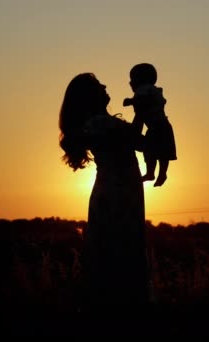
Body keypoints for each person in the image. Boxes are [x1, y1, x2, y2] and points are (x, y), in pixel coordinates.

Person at [59, 73, 149, 314]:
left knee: (113, 254)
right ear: (90, 96)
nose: (106, 86)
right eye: (99, 85)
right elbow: (137, 141)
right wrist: (143, 113)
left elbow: (133, 140)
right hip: (117, 195)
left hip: (116, 191)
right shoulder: (100, 123)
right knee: (121, 253)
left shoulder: (101, 123)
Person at [123, 63, 177, 187]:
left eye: (132, 80)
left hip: (160, 126)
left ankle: (161, 173)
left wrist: (131, 101)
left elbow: (145, 100)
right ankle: (152, 172)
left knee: (162, 152)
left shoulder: (145, 89)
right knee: (151, 151)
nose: (130, 83)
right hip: (154, 127)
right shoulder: (146, 90)